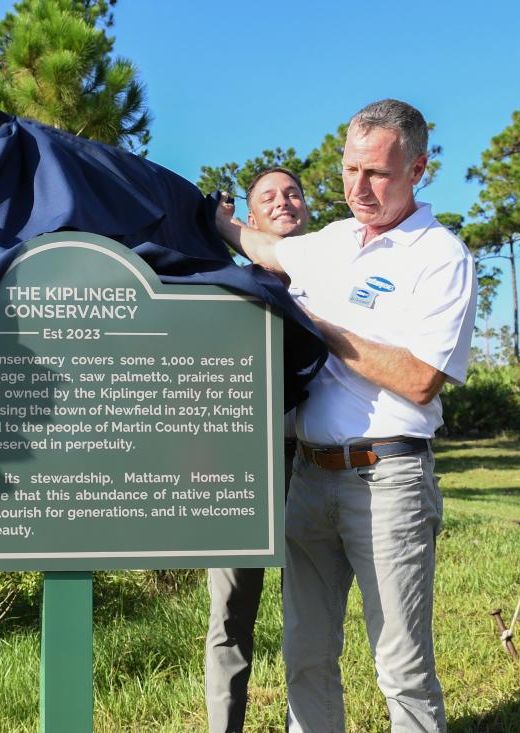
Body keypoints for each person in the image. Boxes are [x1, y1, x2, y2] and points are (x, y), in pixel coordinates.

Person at [215, 99, 476, 732]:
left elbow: (419, 380)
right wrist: (216, 222)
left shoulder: (441, 258)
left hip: (385, 482)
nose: (359, 188)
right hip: (309, 479)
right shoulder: (331, 242)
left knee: (401, 669)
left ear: (418, 169)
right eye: (349, 170)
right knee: (305, 656)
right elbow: (264, 251)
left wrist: (319, 328)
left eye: (378, 174)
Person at [205, 167, 310, 733]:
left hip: (315, 466)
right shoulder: (228, 281)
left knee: (308, 615)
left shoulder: (335, 273)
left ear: (307, 209)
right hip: (244, 468)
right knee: (230, 614)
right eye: (267, 196)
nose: (283, 201)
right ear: (248, 218)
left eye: (292, 192)